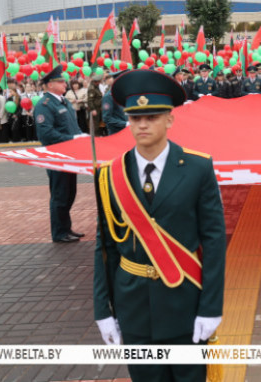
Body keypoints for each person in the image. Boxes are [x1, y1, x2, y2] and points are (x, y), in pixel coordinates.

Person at [93, 69, 226, 381]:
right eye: (135, 117)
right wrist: (103, 310)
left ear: (169, 119)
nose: (142, 124)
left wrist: (211, 307)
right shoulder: (109, 175)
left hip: (184, 302)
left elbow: (214, 240)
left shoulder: (197, 167)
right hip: (133, 307)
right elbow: (105, 247)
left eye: (152, 117)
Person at [34, 65, 86, 243]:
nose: (65, 84)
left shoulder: (63, 101)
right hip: (56, 157)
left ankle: (66, 228)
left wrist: (80, 137)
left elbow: (72, 126)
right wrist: (73, 138)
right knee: (60, 195)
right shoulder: (45, 105)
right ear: (50, 85)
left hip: (70, 155)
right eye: (61, 81)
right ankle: (59, 232)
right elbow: (46, 134)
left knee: (70, 193)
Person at [102, 71, 128, 135]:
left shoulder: (124, 94)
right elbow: (107, 118)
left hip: (127, 130)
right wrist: (125, 124)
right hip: (116, 132)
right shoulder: (109, 96)